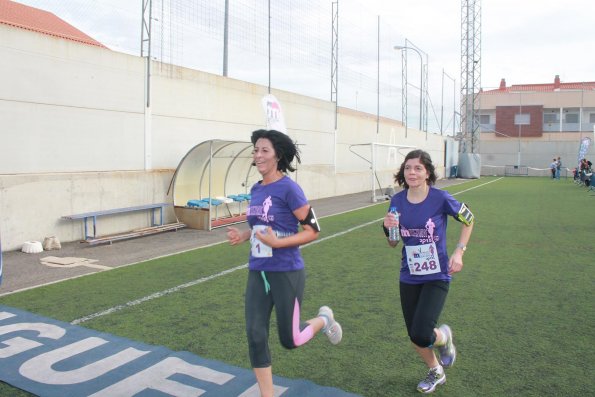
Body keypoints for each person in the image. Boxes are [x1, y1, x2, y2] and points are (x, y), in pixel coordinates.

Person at [227, 129, 342, 397]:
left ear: (278, 156)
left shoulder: (290, 188)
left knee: (291, 340)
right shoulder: (256, 189)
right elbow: (261, 227)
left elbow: (313, 230)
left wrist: (279, 243)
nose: (258, 155)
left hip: (286, 271)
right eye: (255, 150)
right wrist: (244, 235)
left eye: (264, 150)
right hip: (258, 271)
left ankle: (324, 320)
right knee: (255, 335)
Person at [382, 149, 474, 394]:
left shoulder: (441, 198)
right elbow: (393, 243)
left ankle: (443, 337)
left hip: (437, 275)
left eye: (418, 168)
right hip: (409, 274)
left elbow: (469, 219)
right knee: (415, 336)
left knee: (422, 332)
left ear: (428, 173)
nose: (412, 172)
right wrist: (387, 227)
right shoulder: (397, 201)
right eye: (408, 168)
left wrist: (459, 252)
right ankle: (436, 370)